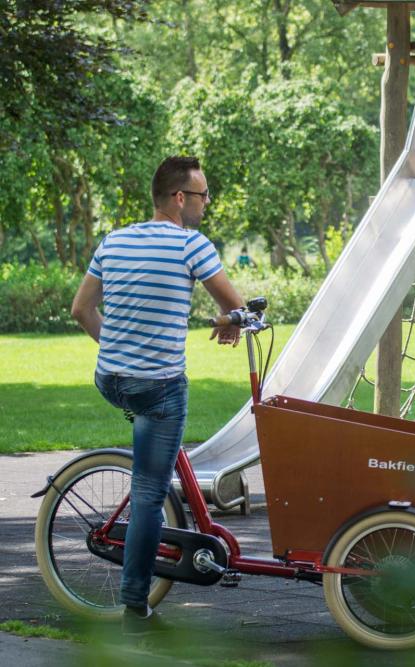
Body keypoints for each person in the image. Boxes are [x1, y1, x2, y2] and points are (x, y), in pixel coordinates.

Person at [70, 156, 245, 634]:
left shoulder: (115, 240)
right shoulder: (192, 245)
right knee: (148, 493)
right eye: (204, 195)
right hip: (159, 386)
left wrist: (118, 351)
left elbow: (81, 309)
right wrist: (231, 323)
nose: (208, 203)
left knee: (154, 460)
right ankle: (134, 605)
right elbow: (234, 306)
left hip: (111, 379)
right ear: (179, 198)